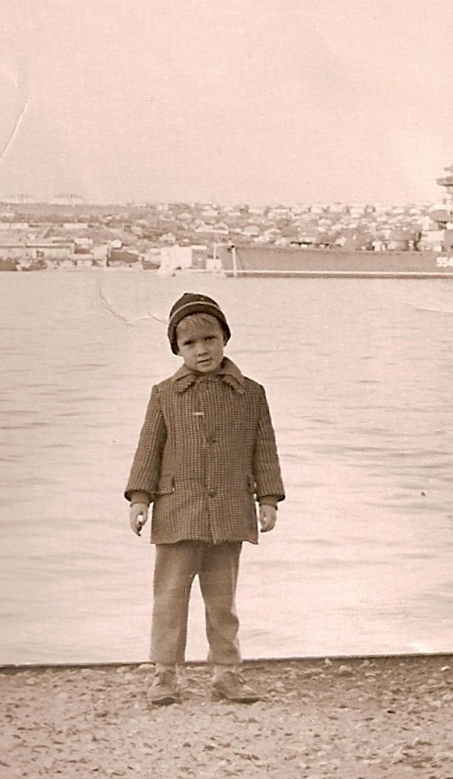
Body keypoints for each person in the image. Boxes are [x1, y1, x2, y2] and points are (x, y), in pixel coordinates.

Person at [124, 292, 285, 705]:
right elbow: (148, 450)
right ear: (177, 349)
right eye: (190, 343)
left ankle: (226, 673)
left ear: (225, 338)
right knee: (169, 598)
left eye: (210, 339)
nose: (202, 350)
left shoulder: (251, 394)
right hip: (178, 512)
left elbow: (265, 450)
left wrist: (268, 499)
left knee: (222, 602)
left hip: (229, 512)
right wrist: (140, 498)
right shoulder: (164, 394)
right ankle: (165, 673)